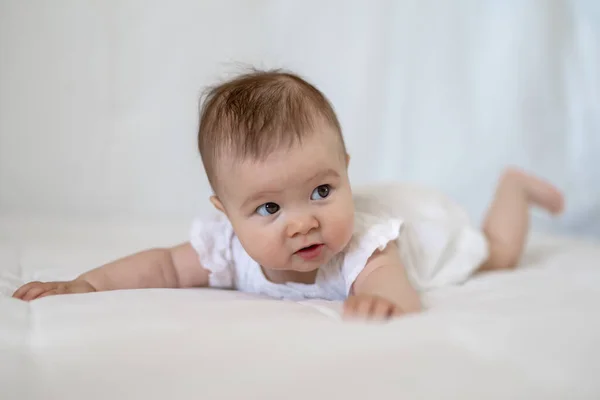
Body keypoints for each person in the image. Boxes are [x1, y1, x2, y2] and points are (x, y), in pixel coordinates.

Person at [12, 70, 564, 320]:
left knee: (496, 254)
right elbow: (161, 268)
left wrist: (384, 303)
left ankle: (512, 188)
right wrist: (87, 284)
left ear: (347, 172)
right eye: (269, 208)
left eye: (322, 190)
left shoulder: (363, 248)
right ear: (225, 214)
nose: (302, 224)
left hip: (421, 223)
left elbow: (393, 287)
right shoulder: (225, 246)